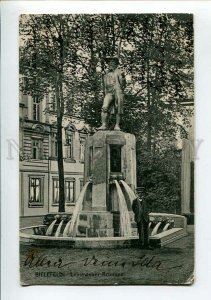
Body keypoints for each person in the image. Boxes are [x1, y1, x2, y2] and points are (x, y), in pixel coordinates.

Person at [98, 57, 126, 131]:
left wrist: (123, 77)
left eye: (112, 63)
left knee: (118, 108)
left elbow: (122, 84)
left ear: (116, 65)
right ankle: (103, 125)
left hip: (117, 91)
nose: (110, 64)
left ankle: (117, 125)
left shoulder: (119, 72)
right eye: (109, 63)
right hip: (109, 93)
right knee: (104, 107)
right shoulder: (106, 73)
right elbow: (104, 85)